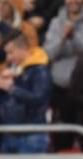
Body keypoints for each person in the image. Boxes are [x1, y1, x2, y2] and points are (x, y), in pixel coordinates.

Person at [0, 31, 51, 153]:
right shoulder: (14, 70)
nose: (8, 57)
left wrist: (12, 88)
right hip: (10, 133)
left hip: (32, 135)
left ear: (23, 48)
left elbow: (39, 99)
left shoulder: (39, 70)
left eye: (10, 52)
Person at [43, 0, 83, 151]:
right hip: (60, 88)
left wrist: (75, 37)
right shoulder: (55, 23)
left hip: (81, 90)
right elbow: (48, 54)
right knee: (61, 139)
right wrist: (62, 38)